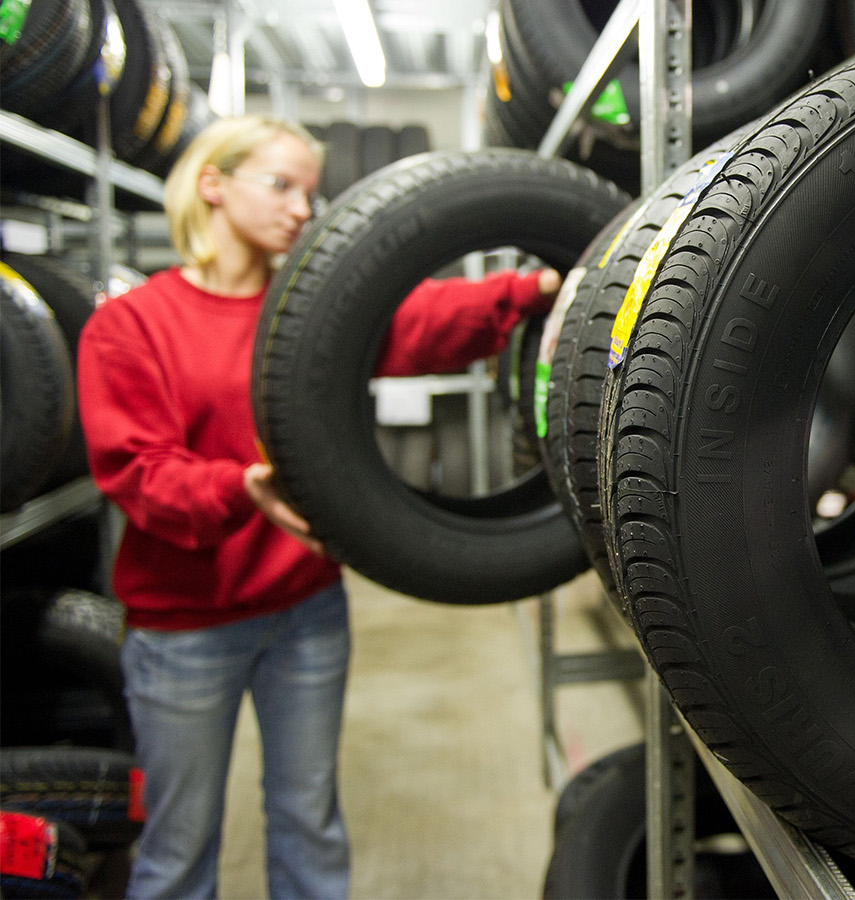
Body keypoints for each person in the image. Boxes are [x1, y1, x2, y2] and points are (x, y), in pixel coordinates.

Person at [75, 115, 560, 900]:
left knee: (309, 821)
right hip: (185, 630)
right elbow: (138, 476)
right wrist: (241, 489)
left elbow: (424, 322)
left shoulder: (311, 316)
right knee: (180, 844)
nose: (303, 208)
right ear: (213, 186)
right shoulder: (131, 326)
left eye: (310, 190)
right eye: (281, 186)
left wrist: (532, 289)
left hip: (306, 610)